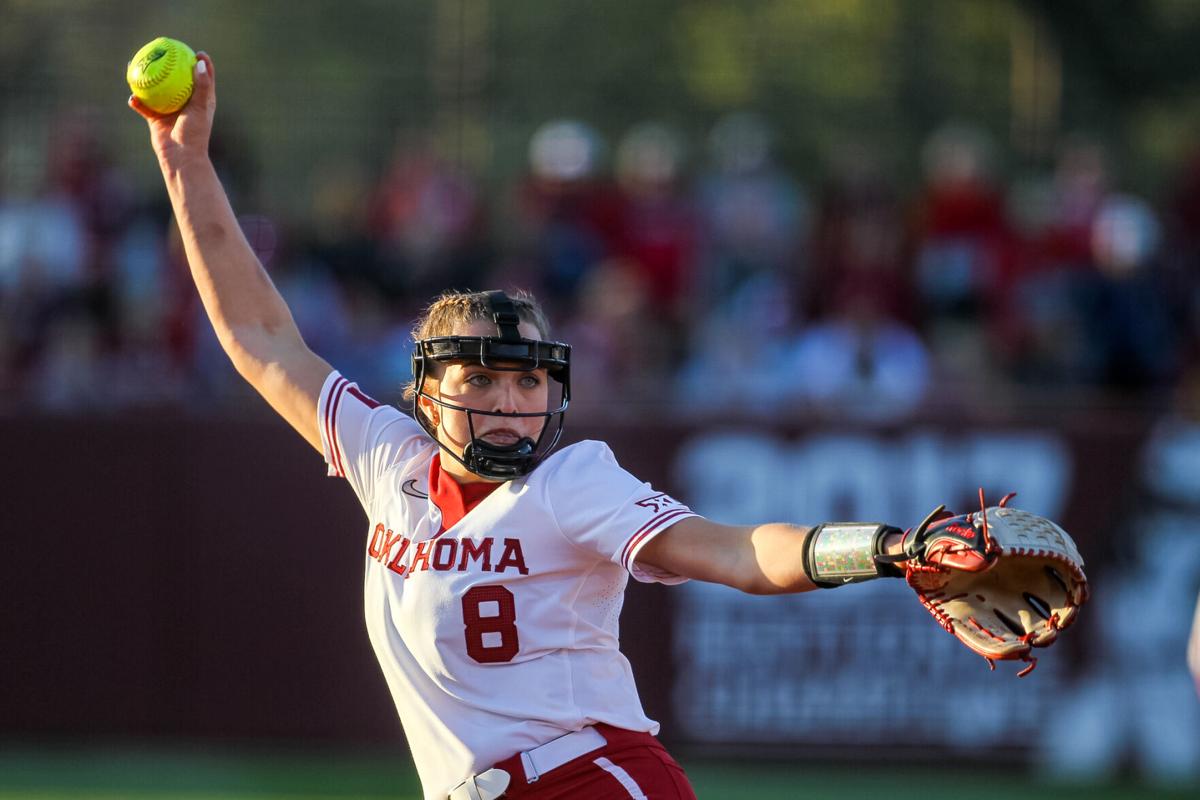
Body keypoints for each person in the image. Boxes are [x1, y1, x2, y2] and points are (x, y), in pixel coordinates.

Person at [130, 54, 921, 800]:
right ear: (426, 397)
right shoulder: (389, 462)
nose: (511, 402)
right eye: (482, 378)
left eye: (530, 379)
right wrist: (185, 163)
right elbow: (259, 339)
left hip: (589, 779)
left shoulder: (570, 482)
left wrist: (887, 549)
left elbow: (737, 553)